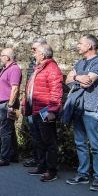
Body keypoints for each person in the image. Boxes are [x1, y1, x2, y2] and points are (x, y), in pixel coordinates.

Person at [65, 34, 98, 191]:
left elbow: (90, 80)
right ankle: (83, 174)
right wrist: (78, 79)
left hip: (91, 108)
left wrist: (76, 77)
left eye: (80, 43)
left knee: (95, 145)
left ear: (89, 46)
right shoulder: (80, 62)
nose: (77, 46)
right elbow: (68, 80)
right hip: (77, 107)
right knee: (80, 143)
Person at [22, 45, 63, 181]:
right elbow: (30, 88)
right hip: (35, 110)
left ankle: (51, 171)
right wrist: (24, 104)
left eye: (36, 53)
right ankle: (42, 166)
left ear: (43, 55)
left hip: (44, 111)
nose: (34, 55)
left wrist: (52, 110)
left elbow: (56, 92)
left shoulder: (52, 69)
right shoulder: (39, 68)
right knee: (39, 140)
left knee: (49, 142)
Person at [0, 48, 22, 166]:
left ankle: (4, 158)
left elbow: (15, 88)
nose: (0, 57)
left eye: (2, 55)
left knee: (5, 130)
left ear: (7, 57)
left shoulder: (14, 69)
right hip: (3, 102)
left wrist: (10, 105)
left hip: (7, 103)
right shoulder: (6, 69)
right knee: (10, 130)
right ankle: (13, 155)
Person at [23, 38, 47, 167]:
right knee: (34, 133)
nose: (32, 51)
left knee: (42, 135)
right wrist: (25, 102)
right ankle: (37, 158)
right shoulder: (33, 62)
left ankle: (42, 161)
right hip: (31, 103)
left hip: (41, 105)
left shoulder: (47, 66)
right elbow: (28, 84)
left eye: (34, 49)